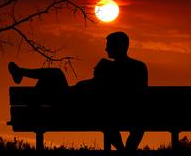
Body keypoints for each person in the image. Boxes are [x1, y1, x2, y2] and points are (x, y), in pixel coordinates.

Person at [8, 31, 148, 150]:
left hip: (77, 107)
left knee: (55, 74)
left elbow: (100, 89)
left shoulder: (109, 68)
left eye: (109, 45)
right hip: (102, 110)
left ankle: (22, 76)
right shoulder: (139, 66)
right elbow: (141, 95)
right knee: (48, 80)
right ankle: (22, 76)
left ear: (120, 46)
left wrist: (96, 76)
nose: (106, 49)